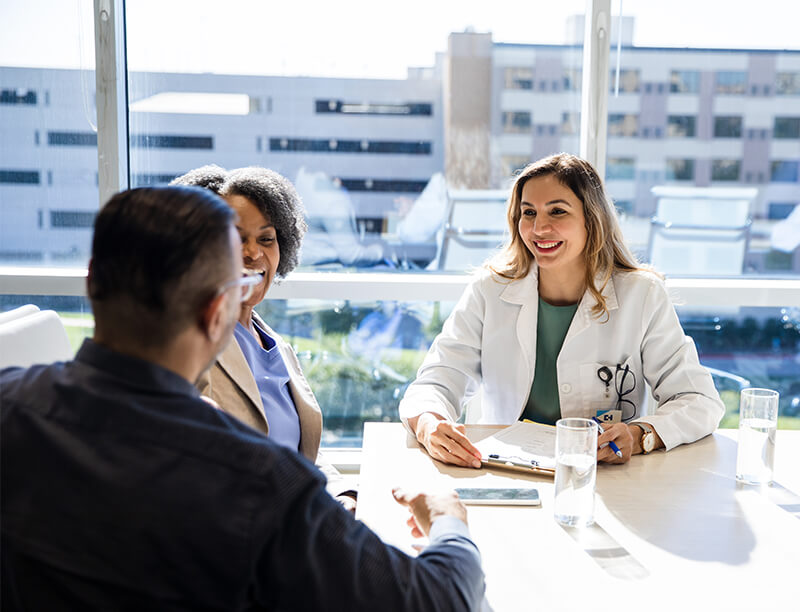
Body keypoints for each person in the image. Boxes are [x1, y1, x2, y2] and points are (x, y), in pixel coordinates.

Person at [0, 186, 485, 610]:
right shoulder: (256, 479)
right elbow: (437, 600)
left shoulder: (10, 405)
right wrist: (447, 520)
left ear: (92, 281)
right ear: (219, 313)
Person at [399, 153, 725, 467]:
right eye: (529, 213)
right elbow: (435, 383)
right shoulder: (489, 290)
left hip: (603, 478)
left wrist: (641, 436)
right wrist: (429, 423)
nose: (539, 228)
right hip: (505, 471)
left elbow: (699, 400)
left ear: (591, 219)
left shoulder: (642, 295)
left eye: (557, 212)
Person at [172, 165, 356, 510]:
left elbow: (299, 454)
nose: (252, 253)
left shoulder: (272, 342)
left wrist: (344, 495)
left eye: (266, 239)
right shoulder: (184, 347)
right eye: (234, 238)